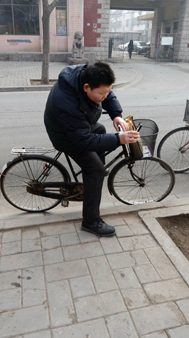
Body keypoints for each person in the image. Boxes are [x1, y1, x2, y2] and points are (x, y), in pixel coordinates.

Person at [44, 63, 140, 236]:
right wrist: (120, 139)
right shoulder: (67, 102)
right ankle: (91, 222)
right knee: (96, 172)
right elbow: (84, 141)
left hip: (78, 127)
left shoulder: (89, 75)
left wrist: (116, 114)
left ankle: (93, 173)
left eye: (107, 92)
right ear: (86, 88)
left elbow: (108, 93)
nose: (104, 96)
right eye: (101, 94)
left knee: (101, 131)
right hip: (65, 136)